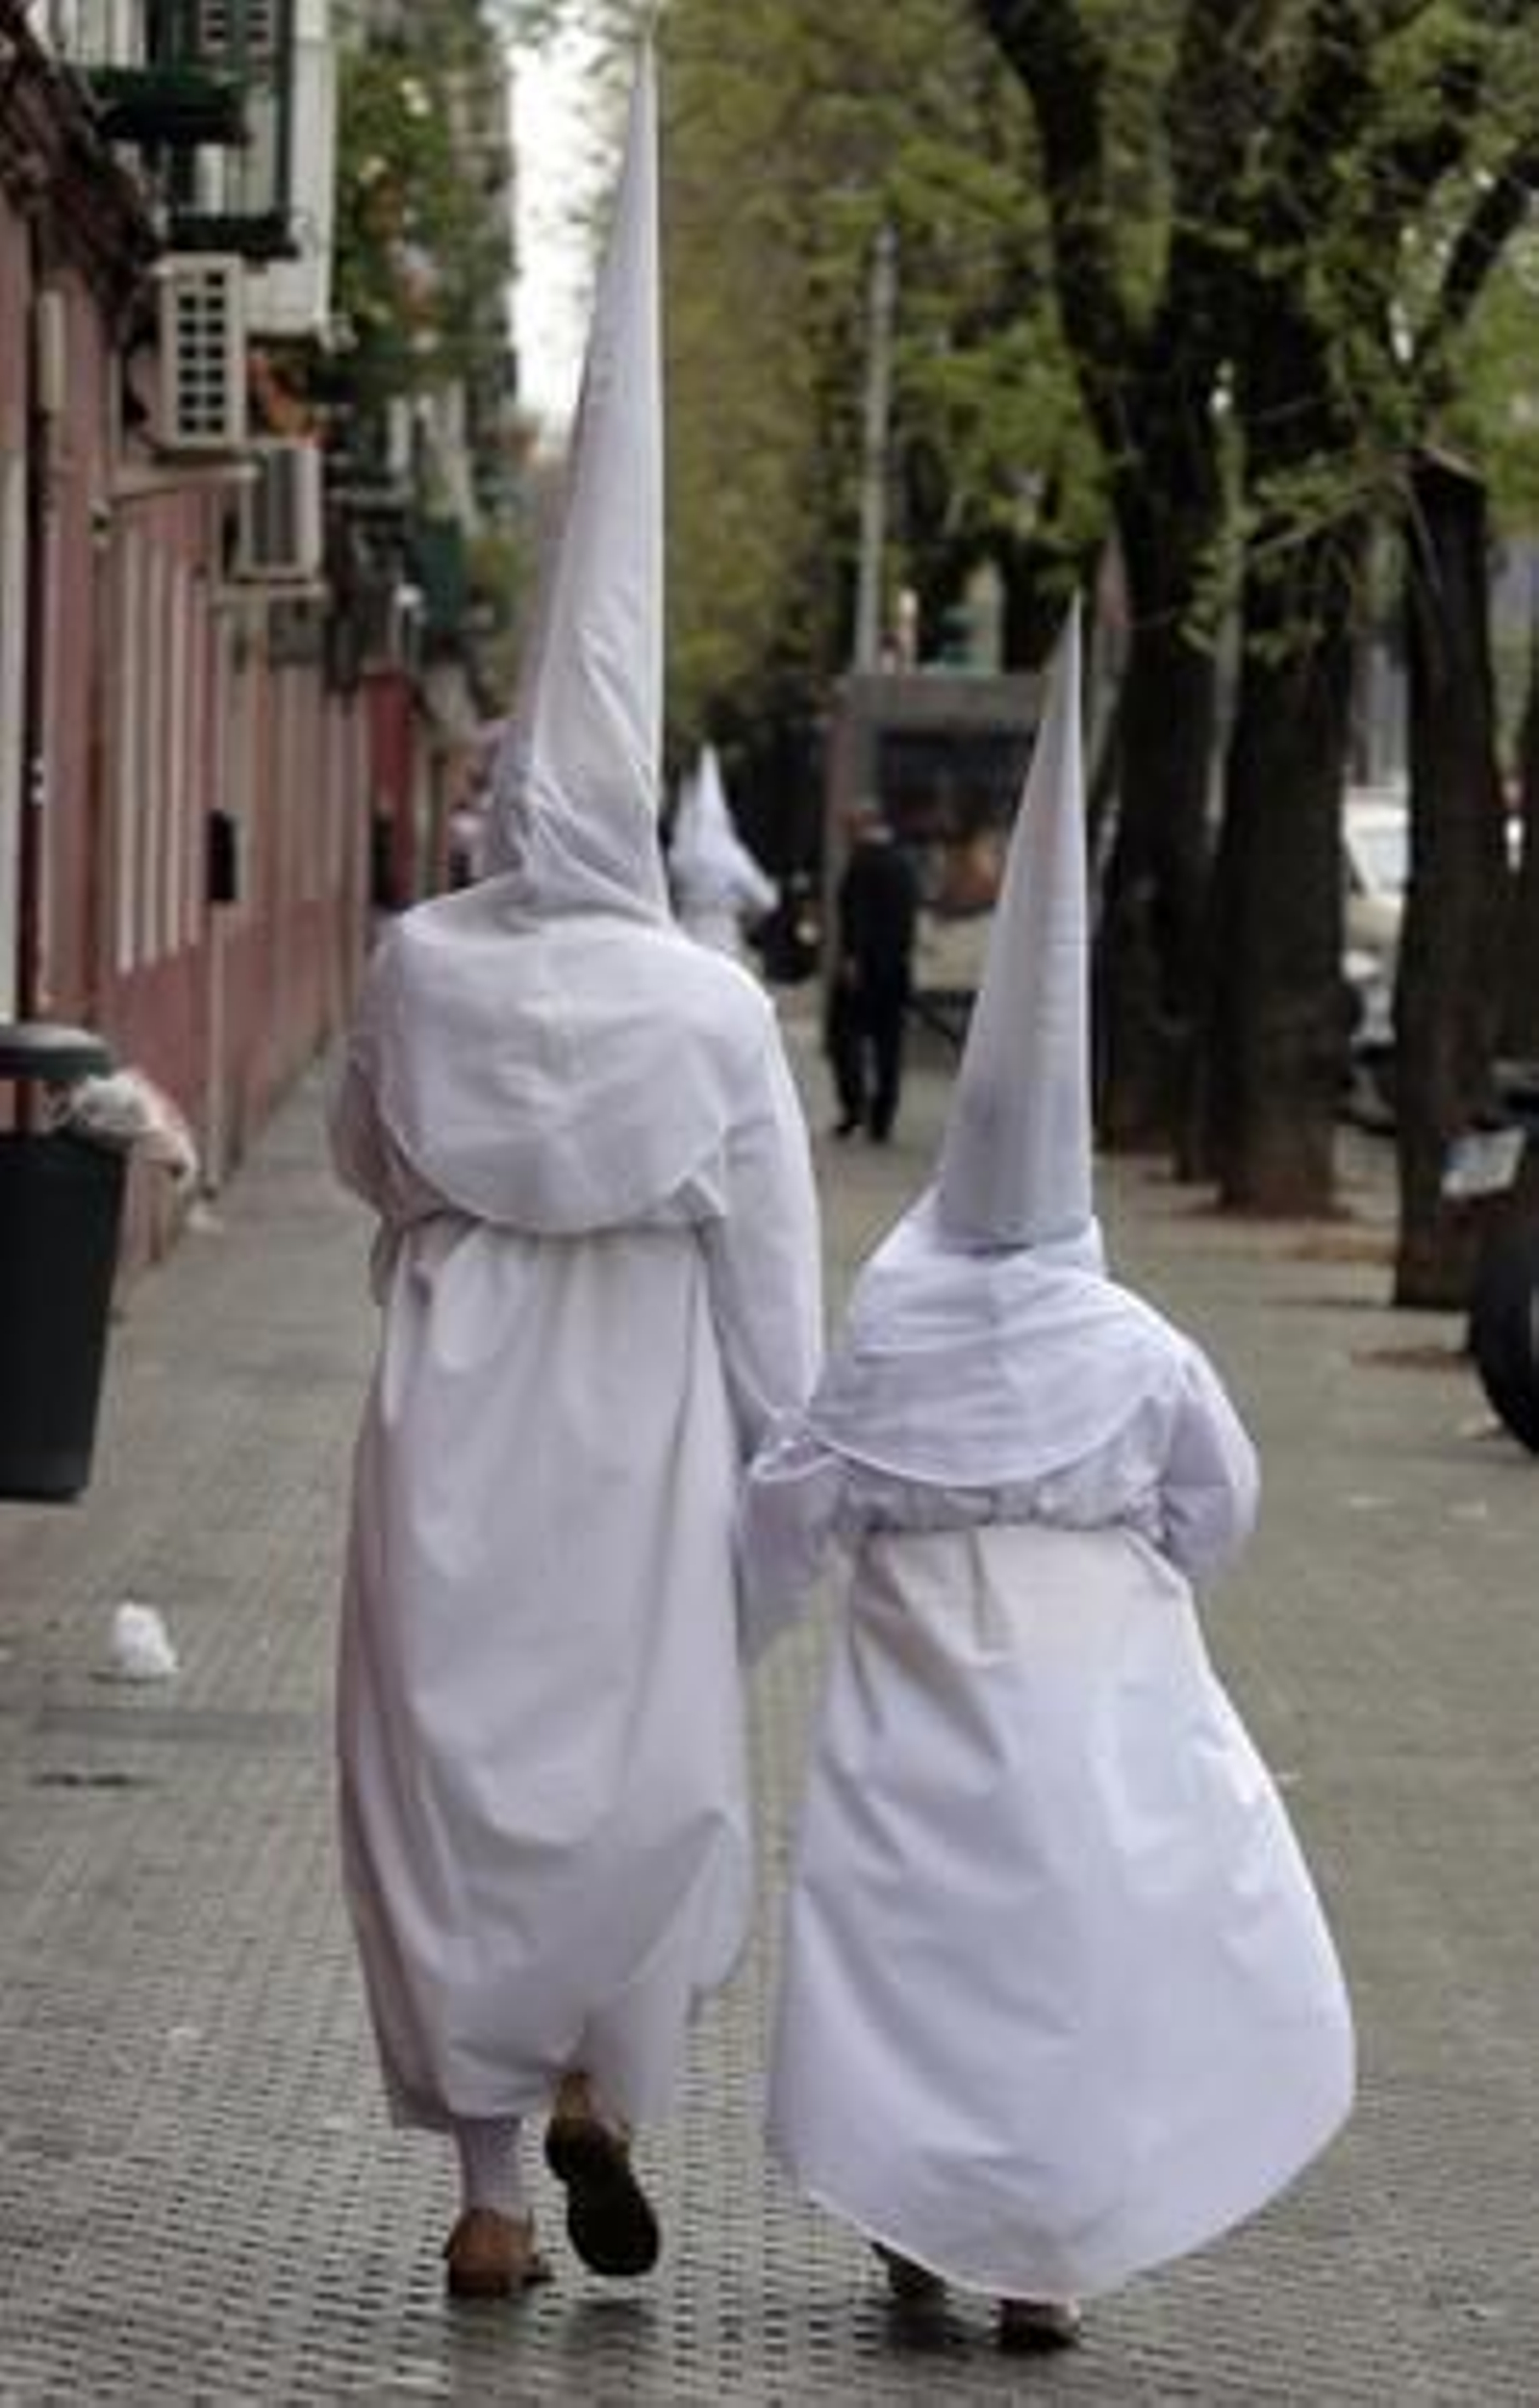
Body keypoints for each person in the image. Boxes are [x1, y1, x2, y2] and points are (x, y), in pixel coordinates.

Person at [330, 49, 821, 2305]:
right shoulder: (715, 1014)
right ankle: (609, 2082)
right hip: (641, 1427)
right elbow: (774, 1281)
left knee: (441, 1775)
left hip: (457, 1404)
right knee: (644, 1772)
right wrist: (780, 1491)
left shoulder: (416, 967)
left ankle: (490, 2187)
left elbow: (357, 1157)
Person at [742, 604, 1353, 2353]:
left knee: (916, 1946)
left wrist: (740, 1601)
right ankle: (1046, 2253)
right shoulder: (1139, 1340)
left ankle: (918, 2223)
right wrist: (1137, 1578)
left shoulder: (890, 1326)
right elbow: (1214, 1497)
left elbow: (795, 1499)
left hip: (916, 1672)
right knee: (1082, 1943)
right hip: (1099, 1664)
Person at [825, 803, 919, 1142]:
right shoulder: (904, 863)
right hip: (895, 969)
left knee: (844, 1038)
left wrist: (851, 957)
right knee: (889, 1046)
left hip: (862, 970)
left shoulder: (862, 863)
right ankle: (883, 1117)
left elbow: (857, 916)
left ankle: (854, 1107)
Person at [669, 745, 778, 960]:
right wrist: (746, 918)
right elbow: (767, 900)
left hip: (684, 937)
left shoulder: (680, 854)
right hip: (723, 939)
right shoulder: (731, 855)